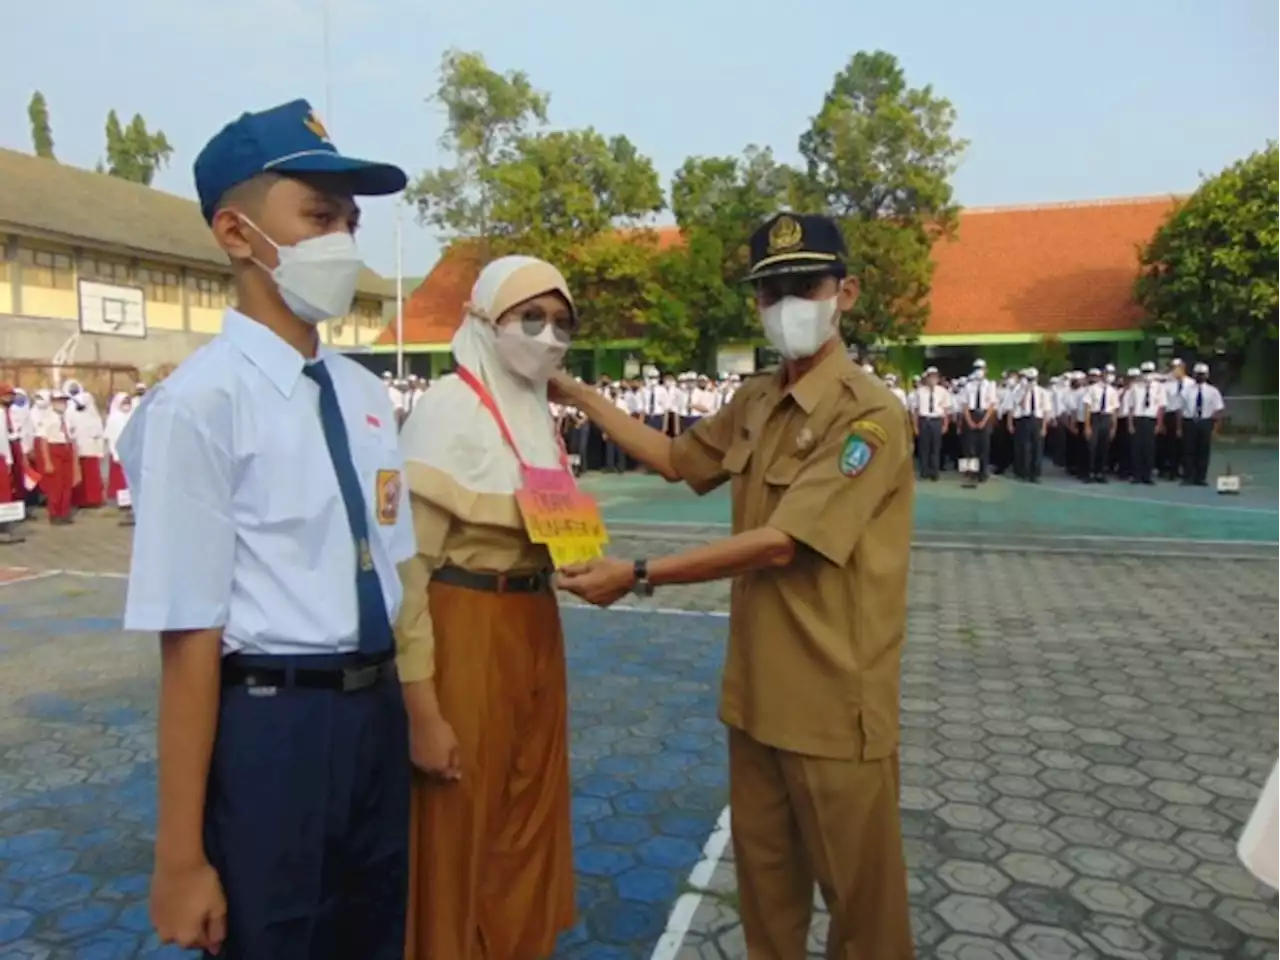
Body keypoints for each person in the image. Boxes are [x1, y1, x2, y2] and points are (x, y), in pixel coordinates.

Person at [555, 213, 916, 960]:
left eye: (803, 286)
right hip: (755, 698)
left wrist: (640, 574)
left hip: (831, 704)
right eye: (770, 291)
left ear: (844, 291)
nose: (787, 304)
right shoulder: (756, 401)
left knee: (864, 916)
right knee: (767, 904)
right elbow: (674, 458)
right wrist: (572, 393)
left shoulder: (869, 414)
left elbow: (785, 543)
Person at [117, 99, 415, 959]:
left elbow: (395, 572)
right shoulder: (199, 406)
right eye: (318, 217)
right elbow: (188, 639)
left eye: (350, 222)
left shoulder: (362, 395)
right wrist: (179, 857)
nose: (342, 242)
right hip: (273, 729)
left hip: (374, 716)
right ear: (237, 234)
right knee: (277, 939)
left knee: (373, 933)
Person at [394, 255, 577, 960]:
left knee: (528, 809)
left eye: (561, 322)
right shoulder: (448, 409)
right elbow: (408, 578)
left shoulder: (539, 418)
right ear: (483, 320)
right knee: (460, 816)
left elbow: (566, 543)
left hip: (536, 629)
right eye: (529, 318)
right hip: (465, 631)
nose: (548, 336)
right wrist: (423, 710)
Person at [35, 390, 79, 525]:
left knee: (67, 483)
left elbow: (72, 439)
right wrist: (47, 461)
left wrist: (75, 460)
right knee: (56, 485)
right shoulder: (47, 418)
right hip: (54, 450)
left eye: (64, 401)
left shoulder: (67, 418)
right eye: (59, 401)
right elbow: (43, 440)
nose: (62, 404)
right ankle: (54, 513)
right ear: (52, 402)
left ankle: (64, 512)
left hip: (67, 449)